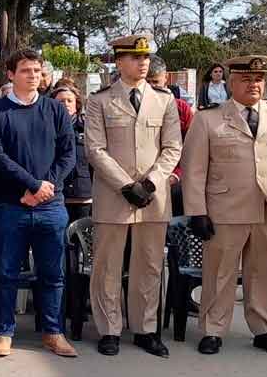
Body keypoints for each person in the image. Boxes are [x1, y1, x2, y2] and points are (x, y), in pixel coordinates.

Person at [85, 34, 182, 358]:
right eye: (134, 58)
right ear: (118, 61)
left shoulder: (165, 100)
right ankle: (109, 329)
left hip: (153, 198)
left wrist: (151, 183)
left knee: (150, 266)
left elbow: (172, 148)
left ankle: (145, 328)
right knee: (108, 266)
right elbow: (95, 149)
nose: (143, 63)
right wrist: (127, 186)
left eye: (145, 58)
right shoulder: (99, 100)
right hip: (115, 196)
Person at [0, 49, 77, 358]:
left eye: (37, 70)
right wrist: (32, 185)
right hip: (10, 204)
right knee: (6, 271)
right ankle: (3, 331)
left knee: (53, 273)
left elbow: (67, 154)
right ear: (10, 74)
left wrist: (45, 187)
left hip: (50, 205)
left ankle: (53, 331)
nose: (33, 75)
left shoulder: (55, 110)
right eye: (25, 70)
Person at [182, 55, 267, 355]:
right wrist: (196, 211)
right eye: (246, 79)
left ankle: (263, 327)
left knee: (262, 272)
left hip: (266, 209)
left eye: (258, 79)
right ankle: (213, 329)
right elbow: (193, 168)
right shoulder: (209, 119)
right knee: (220, 274)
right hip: (225, 209)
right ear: (231, 82)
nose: (254, 85)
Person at [146, 55, 194, 216]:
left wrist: (176, 175)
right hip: (140, 182)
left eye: (155, 82)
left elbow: (191, 150)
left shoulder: (181, 108)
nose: (152, 87)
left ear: (165, 78)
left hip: (173, 183)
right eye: (147, 82)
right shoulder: (130, 108)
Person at [51, 87, 93, 223]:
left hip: (83, 195)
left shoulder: (88, 128)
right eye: (61, 101)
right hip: (56, 194)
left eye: (70, 100)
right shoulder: (46, 128)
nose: (66, 104)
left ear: (77, 104)